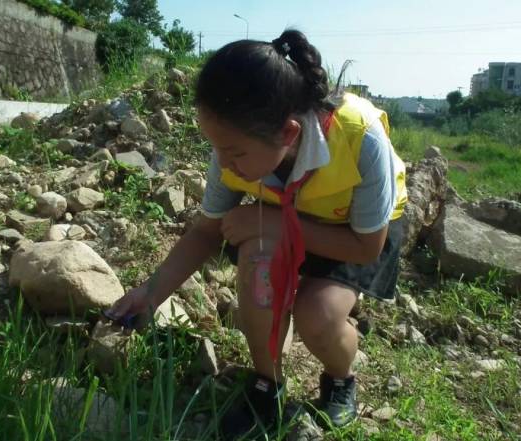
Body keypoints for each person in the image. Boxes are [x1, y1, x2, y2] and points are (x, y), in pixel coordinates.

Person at [106, 29, 407, 439]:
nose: (224, 161)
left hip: (351, 232)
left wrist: (277, 223)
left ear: (288, 134)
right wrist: (151, 292)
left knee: (317, 315)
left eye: (235, 153)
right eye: (217, 148)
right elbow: (207, 232)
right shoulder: (234, 146)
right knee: (259, 261)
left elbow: (366, 247)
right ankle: (268, 383)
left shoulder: (361, 138)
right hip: (290, 217)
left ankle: (341, 378)